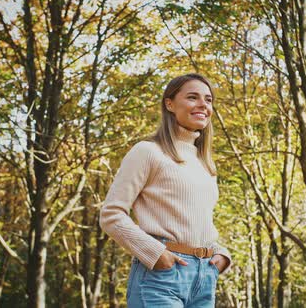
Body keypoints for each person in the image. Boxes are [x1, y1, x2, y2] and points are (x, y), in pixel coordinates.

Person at [99, 73, 232, 307]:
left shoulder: (205, 163)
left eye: (208, 100)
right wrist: (155, 253)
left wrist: (221, 255)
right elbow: (111, 214)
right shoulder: (148, 151)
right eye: (193, 97)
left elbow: (197, 222)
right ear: (169, 104)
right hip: (161, 277)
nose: (203, 105)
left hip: (204, 278)